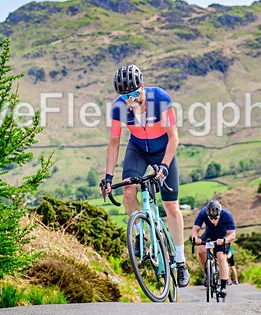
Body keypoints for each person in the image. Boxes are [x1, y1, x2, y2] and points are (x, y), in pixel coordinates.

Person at [100, 63, 190, 287]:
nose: (129, 100)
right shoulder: (119, 108)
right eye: (124, 96)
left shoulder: (160, 99)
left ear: (142, 87)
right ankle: (140, 235)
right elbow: (114, 143)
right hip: (138, 149)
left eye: (132, 94)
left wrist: (164, 166)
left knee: (171, 206)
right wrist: (108, 177)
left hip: (163, 150)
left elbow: (173, 137)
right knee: (128, 192)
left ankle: (180, 262)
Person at [191, 199, 236, 297]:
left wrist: (224, 240)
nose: (213, 220)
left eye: (215, 218)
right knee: (200, 250)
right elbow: (195, 229)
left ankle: (223, 287)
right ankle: (207, 272)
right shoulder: (203, 213)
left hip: (222, 237)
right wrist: (195, 238)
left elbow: (232, 234)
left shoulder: (227, 215)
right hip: (209, 235)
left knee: (221, 257)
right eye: (211, 218)